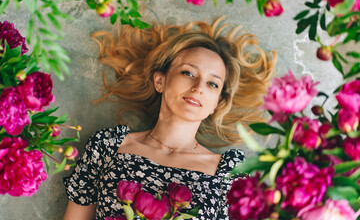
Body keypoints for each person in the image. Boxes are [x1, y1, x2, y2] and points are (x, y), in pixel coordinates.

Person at [63, 17, 276, 220]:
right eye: (188, 73)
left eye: (212, 84)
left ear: (217, 104)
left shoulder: (231, 174)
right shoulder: (108, 146)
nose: (199, 88)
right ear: (160, 81)